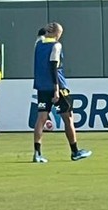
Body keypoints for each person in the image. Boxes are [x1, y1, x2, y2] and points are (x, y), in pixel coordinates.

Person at [32, 23, 92, 163]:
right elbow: (53, 66)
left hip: (41, 87)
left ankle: (37, 153)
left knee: (41, 119)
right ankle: (75, 151)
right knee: (68, 117)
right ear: (56, 33)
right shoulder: (56, 45)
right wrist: (56, 89)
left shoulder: (38, 44)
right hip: (57, 86)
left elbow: (40, 35)